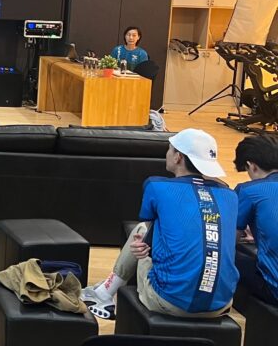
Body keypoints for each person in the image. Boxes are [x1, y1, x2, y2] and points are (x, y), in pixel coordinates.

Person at [82, 129, 238, 320]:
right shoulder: (231, 196)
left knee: (142, 231)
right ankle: (104, 290)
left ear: (178, 157)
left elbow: (148, 227)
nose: (167, 153)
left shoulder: (157, 186)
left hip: (169, 302)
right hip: (221, 305)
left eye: (169, 149)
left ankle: (105, 293)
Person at [234, 134, 278, 306]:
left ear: (251, 165)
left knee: (215, 252)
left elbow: (227, 241)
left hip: (273, 290)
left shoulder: (249, 190)